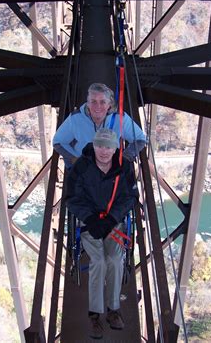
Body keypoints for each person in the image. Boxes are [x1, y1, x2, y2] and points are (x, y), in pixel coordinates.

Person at [66, 128, 139, 339]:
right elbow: (72, 198)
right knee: (98, 261)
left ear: (116, 148)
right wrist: (89, 218)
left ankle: (113, 309)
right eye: (100, 146)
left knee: (115, 259)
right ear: (94, 145)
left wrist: (112, 218)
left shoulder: (124, 168)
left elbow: (129, 197)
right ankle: (95, 314)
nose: (104, 151)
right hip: (89, 223)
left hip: (112, 223)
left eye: (108, 147)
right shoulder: (81, 167)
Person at [53, 82, 147, 168]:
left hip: (111, 170)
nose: (98, 106)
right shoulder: (75, 119)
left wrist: (124, 158)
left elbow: (140, 139)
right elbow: (58, 142)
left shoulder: (120, 118)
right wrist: (74, 159)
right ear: (88, 103)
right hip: (84, 171)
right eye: (93, 102)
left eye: (102, 102)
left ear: (109, 105)